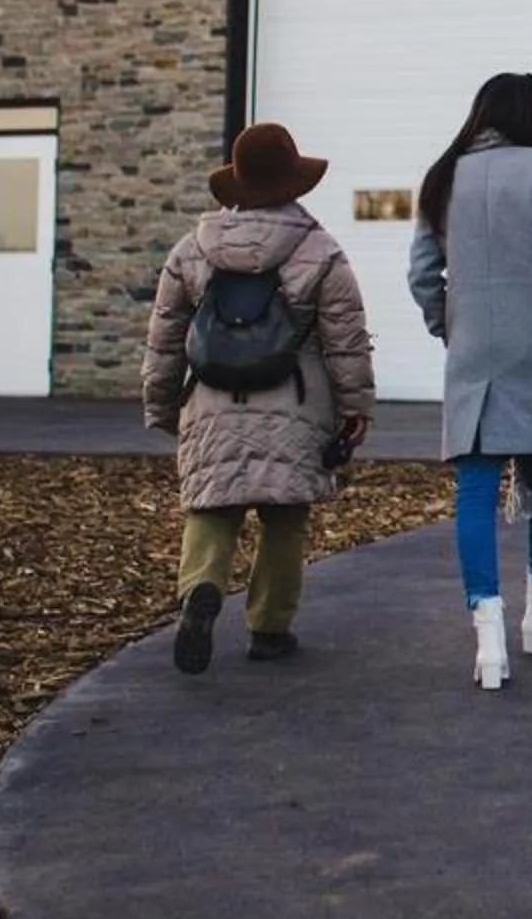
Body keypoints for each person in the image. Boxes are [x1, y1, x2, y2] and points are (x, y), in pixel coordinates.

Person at [141, 121, 375, 675]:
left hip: (210, 400)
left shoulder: (191, 250)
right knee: (284, 516)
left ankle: (201, 589)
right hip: (293, 402)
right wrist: (355, 411)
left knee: (211, 506)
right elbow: (345, 341)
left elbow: (166, 334)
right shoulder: (320, 250)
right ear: (294, 182)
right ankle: (269, 628)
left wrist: (161, 403)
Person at [408, 71, 532, 692]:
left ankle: (488, 633)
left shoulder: (445, 175)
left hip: (475, 350)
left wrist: (449, 327)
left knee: (475, 485)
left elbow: (422, 274)